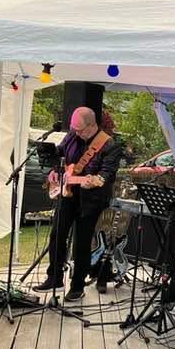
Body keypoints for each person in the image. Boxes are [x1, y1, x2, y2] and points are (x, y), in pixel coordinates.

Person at [33, 107, 123, 301]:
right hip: (68, 194)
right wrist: (54, 170)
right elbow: (59, 154)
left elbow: (107, 173)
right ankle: (54, 277)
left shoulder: (109, 145)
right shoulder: (72, 136)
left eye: (80, 129)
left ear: (92, 125)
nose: (77, 133)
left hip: (91, 200)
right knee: (57, 234)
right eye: (74, 129)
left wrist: (96, 180)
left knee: (82, 242)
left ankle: (77, 286)